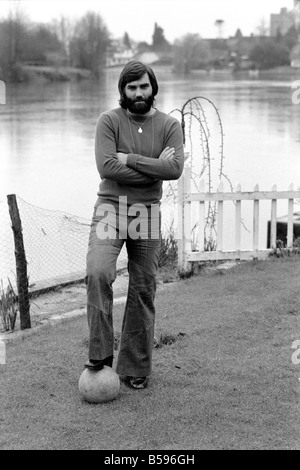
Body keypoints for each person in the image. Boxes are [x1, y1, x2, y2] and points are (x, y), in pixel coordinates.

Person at [85, 60, 184, 389]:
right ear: (122, 91)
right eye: (132, 87)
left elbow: (175, 171)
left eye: (144, 86)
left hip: (147, 212)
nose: (138, 93)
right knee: (99, 272)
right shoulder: (108, 121)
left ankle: (135, 367)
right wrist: (154, 166)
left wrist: (132, 159)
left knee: (143, 288)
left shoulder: (170, 126)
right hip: (111, 209)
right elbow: (107, 167)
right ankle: (100, 354)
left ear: (153, 88)